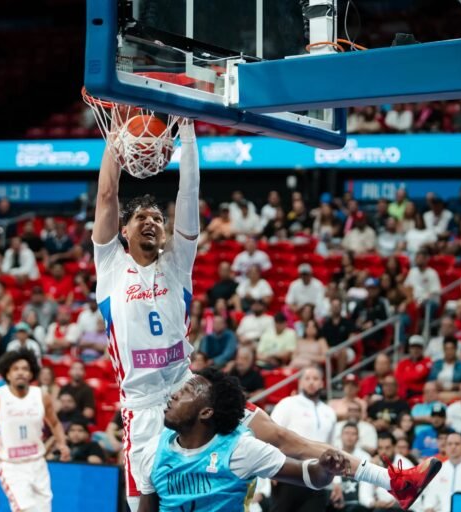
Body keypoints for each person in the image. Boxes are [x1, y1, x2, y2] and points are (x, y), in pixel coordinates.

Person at [93, 120, 438, 510]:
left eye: (158, 218)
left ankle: (394, 481)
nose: (153, 222)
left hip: (185, 385)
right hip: (142, 408)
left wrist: (186, 132)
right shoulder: (110, 267)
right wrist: (116, 136)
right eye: (142, 218)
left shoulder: (176, 264)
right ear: (124, 230)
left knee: (279, 435)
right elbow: (107, 195)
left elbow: (189, 194)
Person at [136, 369, 344, 512]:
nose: (173, 396)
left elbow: (312, 476)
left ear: (206, 412)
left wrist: (325, 468)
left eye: (185, 393)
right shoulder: (153, 451)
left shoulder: (240, 449)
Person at [0, 350, 70, 511]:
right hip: (11, 465)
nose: (20, 372)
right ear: (7, 374)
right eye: (15, 369)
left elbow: (55, 423)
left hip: (38, 463)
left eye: (25, 369)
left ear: (31, 374)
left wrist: (62, 443)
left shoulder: (41, 396)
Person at [270, 365, 339, 511]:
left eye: (315, 378)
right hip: (289, 472)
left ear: (322, 383)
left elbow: (333, 448)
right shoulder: (288, 404)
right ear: (300, 382)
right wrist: (271, 467)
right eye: (307, 378)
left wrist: (337, 480)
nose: (311, 382)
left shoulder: (329, 412)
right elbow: (272, 435)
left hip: (319, 477)